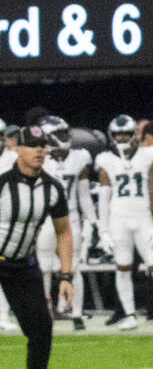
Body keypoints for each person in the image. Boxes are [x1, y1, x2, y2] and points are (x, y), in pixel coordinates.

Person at [0, 125, 72, 369]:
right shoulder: (3, 184)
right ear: (18, 149)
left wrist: (66, 275)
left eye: (42, 145)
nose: (39, 150)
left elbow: (63, 231)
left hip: (21, 264)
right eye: (32, 145)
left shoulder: (52, 188)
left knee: (41, 327)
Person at [97, 115, 153, 331]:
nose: (122, 138)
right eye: (118, 135)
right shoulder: (105, 160)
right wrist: (103, 230)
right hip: (118, 217)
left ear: (134, 135)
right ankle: (129, 315)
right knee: (122, 267)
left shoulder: (149, 155)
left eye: (126, 134)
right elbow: (104, 197)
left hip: (143, 216)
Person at [36, 116, 94, 332]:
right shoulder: (40, 158)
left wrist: (93, 222)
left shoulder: (80, 157)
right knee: (43, 267)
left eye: (64, 133)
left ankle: (75, 312)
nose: (64, 138)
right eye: (59, 134)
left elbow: (84, 196)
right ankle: (46, 310)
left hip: (70, 216)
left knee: (73, 267)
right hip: (45, 218)